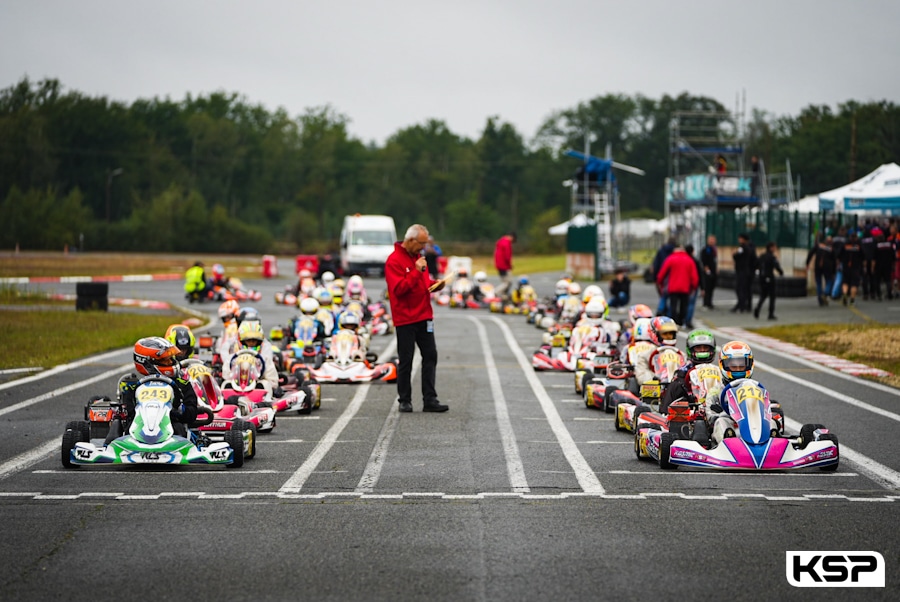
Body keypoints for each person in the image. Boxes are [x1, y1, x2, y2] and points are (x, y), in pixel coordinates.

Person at [385, 224, 448, 413]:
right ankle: (405, 399)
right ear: (411, 240)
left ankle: (430, 399)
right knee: (406, 358)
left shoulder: (418, 258)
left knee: (430, 355)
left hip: (424, 315)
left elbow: (421, 283)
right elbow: (399, 289)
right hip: (405, 318)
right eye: (421, 243)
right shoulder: (394, 261)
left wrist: (434, 285)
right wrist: (415, 271)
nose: (423, 247)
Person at [116, 337, 199, 438]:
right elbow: (130, 416)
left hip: (172, 431)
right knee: (125, 428)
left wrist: (178, 409)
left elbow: (192, 414)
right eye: (165, 360)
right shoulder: (133, 388)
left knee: (180, 429)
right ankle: (108, 446)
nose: (170, 362)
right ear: (148, 363)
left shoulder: (182, 384)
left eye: (170, 359)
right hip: (139, 431)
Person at [659, 329, 721, 414]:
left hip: (717, 407)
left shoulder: (720, 371)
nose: (702, 350)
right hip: (692, 408)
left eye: (705, 347)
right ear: (691, 350)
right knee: (675, 385)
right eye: (698, 348)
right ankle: (666, 413)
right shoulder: (682, 372)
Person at [656, 245, 699, 327]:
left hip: (673, 287)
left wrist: (659, 282)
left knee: (673, 306)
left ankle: (674, 321)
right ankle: (681, 320)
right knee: (684, 305)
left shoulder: (671, 258)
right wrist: (694, 286)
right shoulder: (689, 260)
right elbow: (694, 276)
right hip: (685, 288)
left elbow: (662, 273)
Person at [754, 242, 784, 320]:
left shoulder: (762, 256)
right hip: (770, 277)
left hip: (761, 277)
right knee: (772, 296)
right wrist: (781, 272)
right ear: (771, 248)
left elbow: (756, 265)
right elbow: (776, 266)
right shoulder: (772, 257)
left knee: (763, 295)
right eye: (774, 247)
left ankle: (758, 308)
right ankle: (770, 314)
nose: (775, 249)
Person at [806, 234, 836, 306]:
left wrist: (807, 263)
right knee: (829, 281)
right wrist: (834, 271)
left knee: (819, 282)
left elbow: (811, 253)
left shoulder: (819, 245)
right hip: (828, 267)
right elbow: (834, 260)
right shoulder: (832, 249)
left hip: (818, 266)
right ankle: (825, 293)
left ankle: (820, 299)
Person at [731, 233, 757, 313]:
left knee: (740, 288)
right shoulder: (750, 248)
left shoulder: (743, 248)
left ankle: (741, 305)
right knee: (746, 289)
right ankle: (745, 305)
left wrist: (734, 254)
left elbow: (736, 256)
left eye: (740, 238)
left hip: (742, 270)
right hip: (747, 270)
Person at [652, 237, 677, 316]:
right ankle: (669, 313)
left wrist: (655, 278)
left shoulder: (661, 251)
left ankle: (660, 309)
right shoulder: (675, 252)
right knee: (673, 298)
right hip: (673, 276)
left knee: (664, 295)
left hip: (663, 276)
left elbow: (656, 264)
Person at [682, 244, 703, 329]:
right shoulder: (694, 261)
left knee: (684, 304)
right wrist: (701, 287)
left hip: (684, 285)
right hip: (692, 285)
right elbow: (698, 275)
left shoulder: (683, 260)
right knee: (690, 304)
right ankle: (688, 321)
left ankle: (683, 319)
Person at [840, 232, 863, 305]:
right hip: (855, 267)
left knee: (845, 282)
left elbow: (839, 254)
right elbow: (863, 256)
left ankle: (845, 294)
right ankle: (852, 299)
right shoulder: (858, 246)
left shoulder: (845, 245)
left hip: (846, 267)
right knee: (854, 284)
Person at [494, 231, 516, 300]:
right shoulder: (506, 243)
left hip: (499, 265)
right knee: (507, 282)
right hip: (504, 266)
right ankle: (497, 292)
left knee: (505, 281)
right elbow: (507, 256)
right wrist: (510, 265)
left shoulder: (500, 242)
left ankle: (504, 295)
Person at [699, 234, 718, 309]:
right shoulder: (706, 249)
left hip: (713, 270)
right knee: (707, 287)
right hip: (708, 271)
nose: (712, 241)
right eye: (711, 240)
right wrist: (706, 268)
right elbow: (704, 260)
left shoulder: (714, 249)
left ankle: (710, 302)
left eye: (713, 240)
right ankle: (706, 303)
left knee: (712, 287)